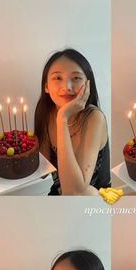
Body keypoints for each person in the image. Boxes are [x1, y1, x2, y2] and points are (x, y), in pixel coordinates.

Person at [34, 48, 110, 196]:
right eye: (57, 78)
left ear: (88, 85)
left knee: (88, 192)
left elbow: (75, 192)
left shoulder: (94, 118)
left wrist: (62, 118)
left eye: (76, 78)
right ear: (46, 86)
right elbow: (43, 172)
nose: (67, 87)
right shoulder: (45, 112)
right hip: (59, 193)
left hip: (93, 198)